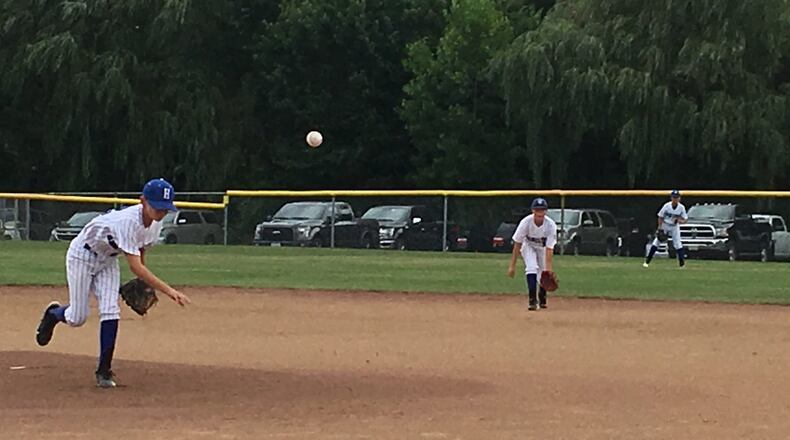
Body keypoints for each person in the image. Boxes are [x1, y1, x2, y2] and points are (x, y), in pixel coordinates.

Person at [35, 178, 191, 388]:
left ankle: (104, 371)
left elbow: (141, 248)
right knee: (77, 317)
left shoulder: (155, 224)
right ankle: (53, 314)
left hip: (108, 259)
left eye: (165, 209)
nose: (161, 213)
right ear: (142, 201)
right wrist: (169, 291)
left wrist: (142, 282)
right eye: (157, 208)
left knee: (111, 311)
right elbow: (135, 266)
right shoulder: (127, 222)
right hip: (82, 255)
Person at [507, 197, 557, 310]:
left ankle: (542, 297)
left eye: (542, 210)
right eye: (537, 209)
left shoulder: (551, 225)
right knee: (531, 267)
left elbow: (549, 249)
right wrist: (512, 266)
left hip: (542, 247)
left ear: (546, 211)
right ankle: (532, 300)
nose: (540, 212)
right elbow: (517, 243)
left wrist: (548, 270)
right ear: (533, 211)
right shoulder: (525, 222)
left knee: (543, 273)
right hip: (528, 245)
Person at [644, 190, 688, 268]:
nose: (675, 199)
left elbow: (685, 219)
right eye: (674, 197)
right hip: (665, 224)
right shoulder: (667, 206)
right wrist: (660, 228)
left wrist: (679, 221)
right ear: (671, 198)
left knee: (678, 244)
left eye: (677, 197)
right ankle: (647, 262)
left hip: (674, 226)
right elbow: (660, 216)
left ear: (679, 198)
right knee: (656, 242)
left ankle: (682, 265)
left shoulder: (681, 207)